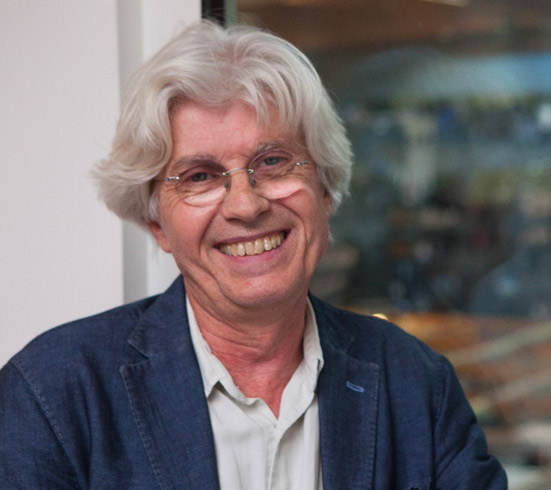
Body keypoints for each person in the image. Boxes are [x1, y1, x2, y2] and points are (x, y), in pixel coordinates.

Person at [0, 20, 506, 489]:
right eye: (199, 176)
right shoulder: (53, 395)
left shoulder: (417, 384)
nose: (245, 205)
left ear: (325, 191)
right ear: (158, 224)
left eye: (273, 161)